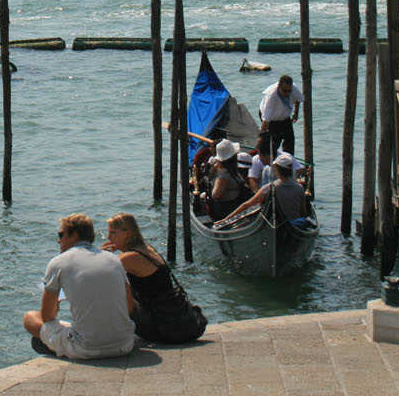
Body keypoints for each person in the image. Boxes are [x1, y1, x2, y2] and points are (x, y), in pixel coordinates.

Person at [22, 213, 136, 360]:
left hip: (86, 348)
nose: (58, 240)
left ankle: (61, 347)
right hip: (125, 344)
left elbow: (47, 317)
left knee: (30, 318)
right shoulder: (114, 260)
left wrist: (56, 300)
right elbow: (129, 307)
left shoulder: (58, 263)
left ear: (74, 235)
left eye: (61, 234)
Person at [103, 212, 206, 343]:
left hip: (161, 324)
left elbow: (100, 275)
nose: (108, 237)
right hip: (171, 314)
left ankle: (106, 336)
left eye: (113, 233)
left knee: (113, 289)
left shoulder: (130, 257)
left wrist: (102, 256)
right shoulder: (147, 249)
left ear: (128, 233)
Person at [220, 152, 311, 227]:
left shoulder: (269, 188)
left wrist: (225, 220)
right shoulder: (300, 188)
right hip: (294, 225)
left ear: (276, 169)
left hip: (276, 225)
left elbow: (246, 205)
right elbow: (303, 212)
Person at [258, 74, 303, 157]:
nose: (287, 93)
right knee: (275, 140)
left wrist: (296, 112)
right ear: (279, 86)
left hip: (285, 117)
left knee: (290, 139)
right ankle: (270, 158)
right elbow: (266, 120)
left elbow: (298, 98)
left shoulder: (294, 89)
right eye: (284, 91)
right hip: (271, 119)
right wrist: (261, 137)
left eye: (289, 91)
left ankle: (288, 160)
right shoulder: (271, 96)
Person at [205, 139, 248, 221]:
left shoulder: (228, 170)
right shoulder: (223, 175)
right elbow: (216, 196)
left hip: (231, 210)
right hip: (225, 213)